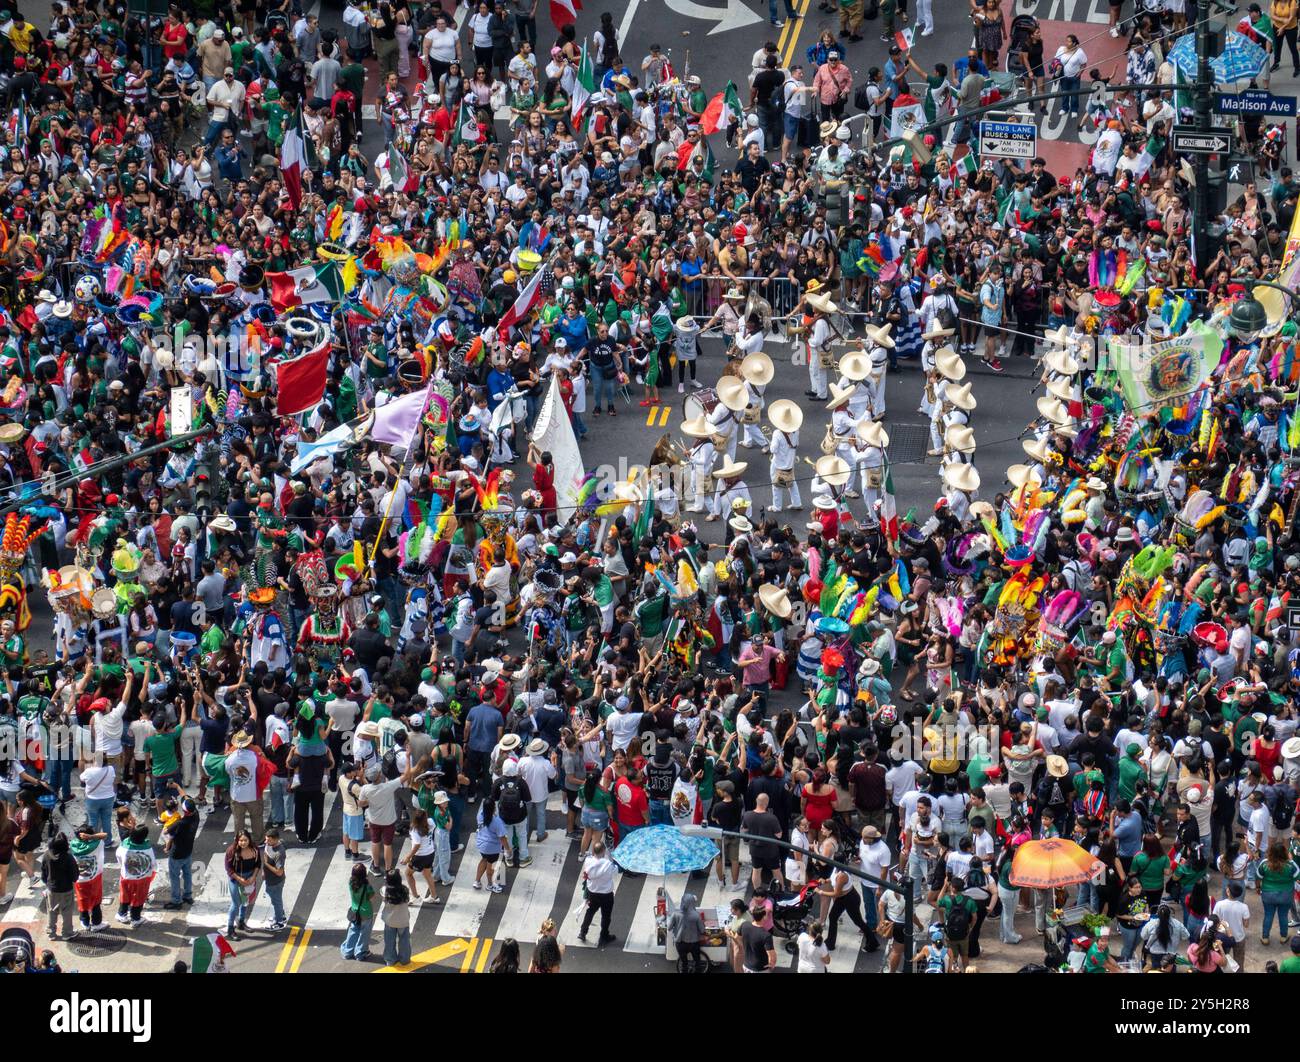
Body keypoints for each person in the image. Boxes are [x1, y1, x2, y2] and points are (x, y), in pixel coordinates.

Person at [578, 840, 618, 945]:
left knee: (590, 911)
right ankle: (604, 935)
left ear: (593, 851)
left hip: (593, 893)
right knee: (606, 915)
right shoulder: (608, 865)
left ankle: (583, 932)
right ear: (604, 851)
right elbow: (615, 871)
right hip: (606, 894)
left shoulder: (588, 861)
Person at [342, 862, 376, 960]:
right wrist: (368, 883)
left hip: (355, 912)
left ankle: (348, 951)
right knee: (364, 934)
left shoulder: (351, 882)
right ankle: (360, 953)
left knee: (353, 931)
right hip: (366, 913)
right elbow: (372, 897)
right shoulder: (366, 886)